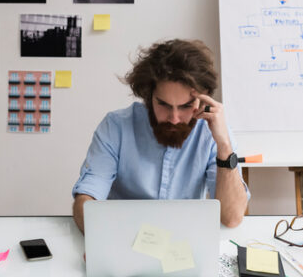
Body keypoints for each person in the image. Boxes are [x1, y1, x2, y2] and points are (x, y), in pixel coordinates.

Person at [71, 39, 249, 232]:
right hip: (123, 235)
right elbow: (87, 198)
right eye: (163, 104)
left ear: (203, 99)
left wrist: (224, 146)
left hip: (186, 242)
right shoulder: (116, 127)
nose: (174, 118)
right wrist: (100, 241)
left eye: (185, 106)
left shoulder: (213, 133)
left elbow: (232, 218)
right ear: (148, 95)